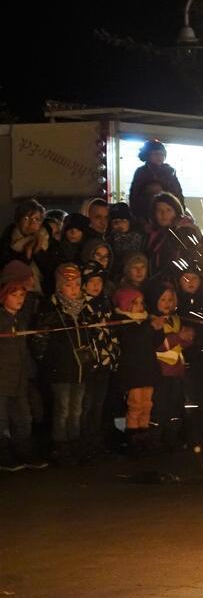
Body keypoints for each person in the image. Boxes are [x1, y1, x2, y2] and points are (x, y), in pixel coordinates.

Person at [31, 264, 95, 466]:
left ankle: (74, 443)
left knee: (77, 409)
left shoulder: (85, 309)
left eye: (77, 284)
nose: (74, 289)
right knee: (63, 409)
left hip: (79, 368)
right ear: (59, 287)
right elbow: (39, 340)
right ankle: (60, 445)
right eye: (69, 285)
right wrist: (48, 362)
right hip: (60, 369)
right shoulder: (51, 309)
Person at [0, 261, 46, 471]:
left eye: (22, 295)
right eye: (14, 295)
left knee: (23, 418)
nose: (19, 299)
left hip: (19, 377)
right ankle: (3, 454)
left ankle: (24, 450)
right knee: (1, 419)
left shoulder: (22, 319)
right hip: (2, 378)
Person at [111, 287, 160, 455]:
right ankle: (132, 437)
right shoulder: (122, 322)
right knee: (136, 405)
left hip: (147, 369)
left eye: (141, 303)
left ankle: (144, 435)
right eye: (135, 303)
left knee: (147, 404)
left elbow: (154, 342)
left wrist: (157, 329)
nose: (140, 306)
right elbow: (134, 340)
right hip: (133, 371)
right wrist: (151, 328)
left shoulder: (145, 321)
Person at [146, 281, 194, 451]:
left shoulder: (176, 320)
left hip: (177, 371)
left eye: (170, 300)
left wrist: (188, 337)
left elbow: (180, 344)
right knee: (159, 408)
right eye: (163, 299)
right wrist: (180, 337)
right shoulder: (153, 320)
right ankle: (155, 440)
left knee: (175, 407)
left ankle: (171, 439)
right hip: (161, 373)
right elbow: (160, 344)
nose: (167, 303)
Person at [174, 262, 203, 453]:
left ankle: (200, 436)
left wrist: (198, 335)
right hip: (185, 359)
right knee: (187, 400)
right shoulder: (176, 304)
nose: (190, 282)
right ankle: (189, 437)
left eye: (195, 278)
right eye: (186, 278)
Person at [80, 262, 119, 458]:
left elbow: (111, 333)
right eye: (91, 281)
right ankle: (85, 441)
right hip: (89, 364)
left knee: (98, 404)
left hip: (105, 362)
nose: (96, 285)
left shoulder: (105, 303)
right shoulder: (81, 306)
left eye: (99, 281)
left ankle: (95, 440)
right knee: (87, 405)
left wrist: (113, 356)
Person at [1, 199, 57, 295]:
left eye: (36, 219)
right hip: (15, 294)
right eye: (26, 218)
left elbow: (52, 270)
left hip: (44, 294)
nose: (32, 223)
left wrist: (37, 249)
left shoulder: (47, 240)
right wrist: (27, 254)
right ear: (18, 220)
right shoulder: (7, 242)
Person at [129, 140, 184, 220]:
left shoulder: (170, 171)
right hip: (146, 213)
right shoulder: (141, 172)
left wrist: (180, 212)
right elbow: (134, 195)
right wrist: (137, 216)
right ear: (147, 155)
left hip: (168, 211)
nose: (159, 157)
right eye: (155, 154)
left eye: (162, 154)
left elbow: (178, 193)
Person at [108, 202, 144, 277]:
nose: (120, 224)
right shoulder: (110, 239)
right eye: (116, 222)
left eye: (123, 221)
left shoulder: (137, 237)